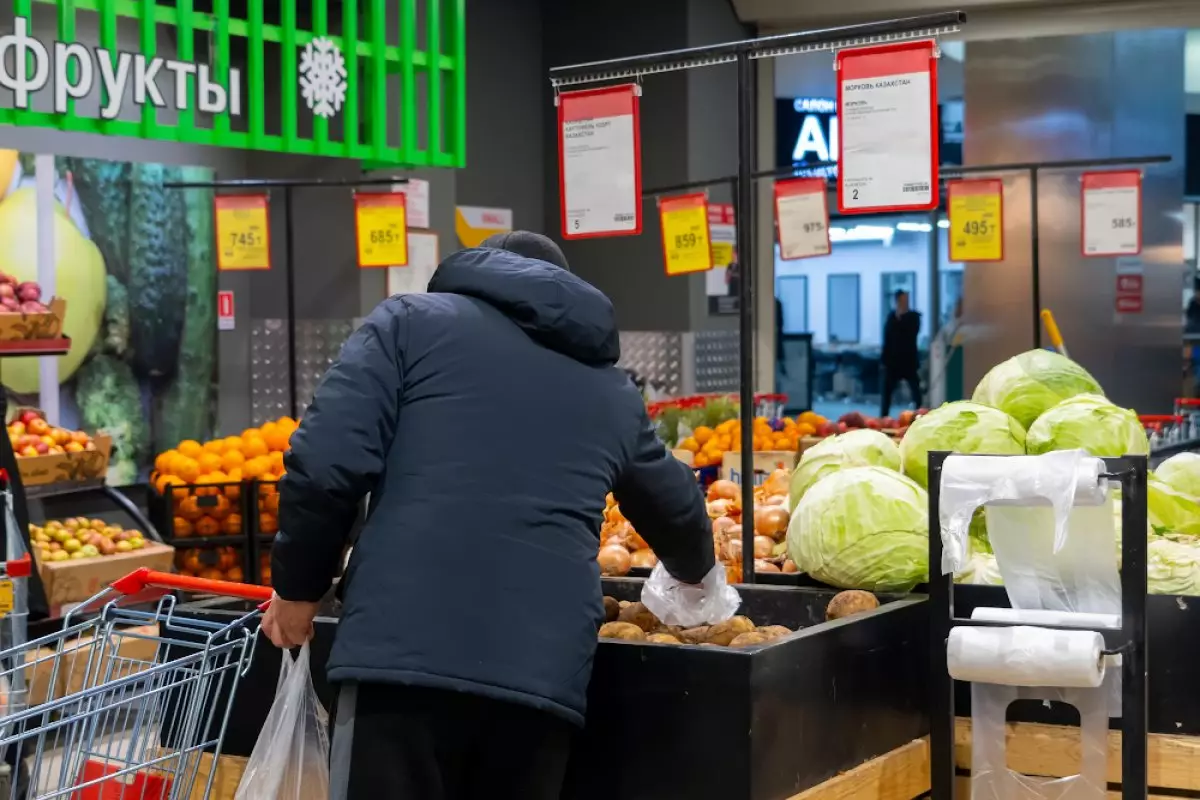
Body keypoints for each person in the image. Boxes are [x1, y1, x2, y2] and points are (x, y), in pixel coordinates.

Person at [261, 231, 716, 800]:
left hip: (401, 659)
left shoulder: (407, 324)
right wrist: (699, 581)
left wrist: (299, 587)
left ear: (479, 270)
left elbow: (326, 463)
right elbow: (677, 505)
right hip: (540, 681)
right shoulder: (611, 390)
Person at [880, 289, 921, 418]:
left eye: (907, 299)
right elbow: (887, 339)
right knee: (887, 391)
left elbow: (911, 333)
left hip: (909, 360)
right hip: (893, 361)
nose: (905, 302)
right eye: (903, 299)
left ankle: (920, 414)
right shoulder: (891, 318)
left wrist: (901, 317)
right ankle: (884, 416)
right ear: (897, 301)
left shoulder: (913, 317)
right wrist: (884, 360)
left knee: (915, 390)